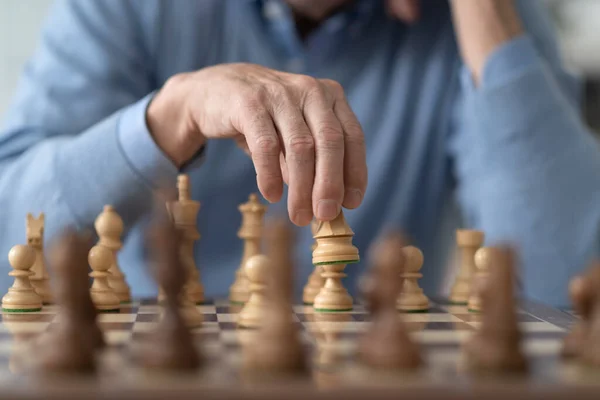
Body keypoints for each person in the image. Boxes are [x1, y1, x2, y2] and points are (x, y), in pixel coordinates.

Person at [0, 0, 598, 307]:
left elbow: (569, 293)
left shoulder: (479, 19)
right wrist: (169, 115)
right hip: (146, 370)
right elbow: (12, 237)